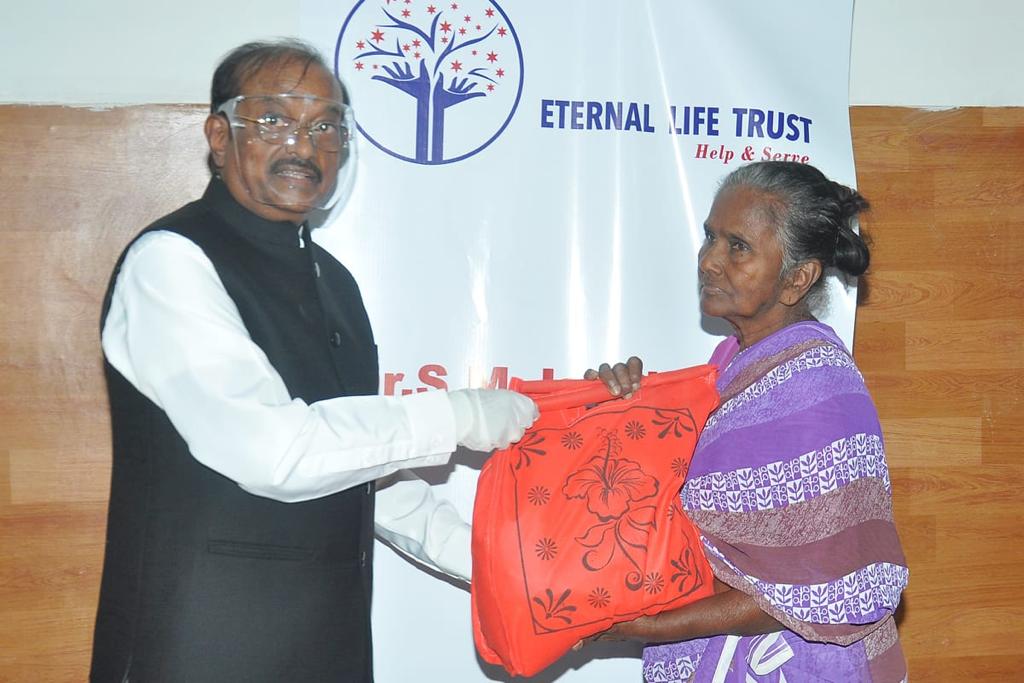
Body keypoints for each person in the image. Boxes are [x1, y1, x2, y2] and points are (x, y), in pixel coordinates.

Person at [90, 39, 536, 682]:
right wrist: (455, 416)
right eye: (275, 119)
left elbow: (361, 475)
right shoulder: (172, 261)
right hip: (203, 646)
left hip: (326, 645)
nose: (303, 145)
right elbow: (274, 453)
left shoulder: (335, 282)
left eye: (326, 126)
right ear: (219, 135)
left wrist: (503, 564)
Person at [585, 161, 908, 681]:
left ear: (797, 279)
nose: (709, 260)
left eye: (738, 247)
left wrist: (644, 624)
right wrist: (616, 414)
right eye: (710, 236)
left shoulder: (816, 386)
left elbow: (820, 591)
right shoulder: (731, 361)